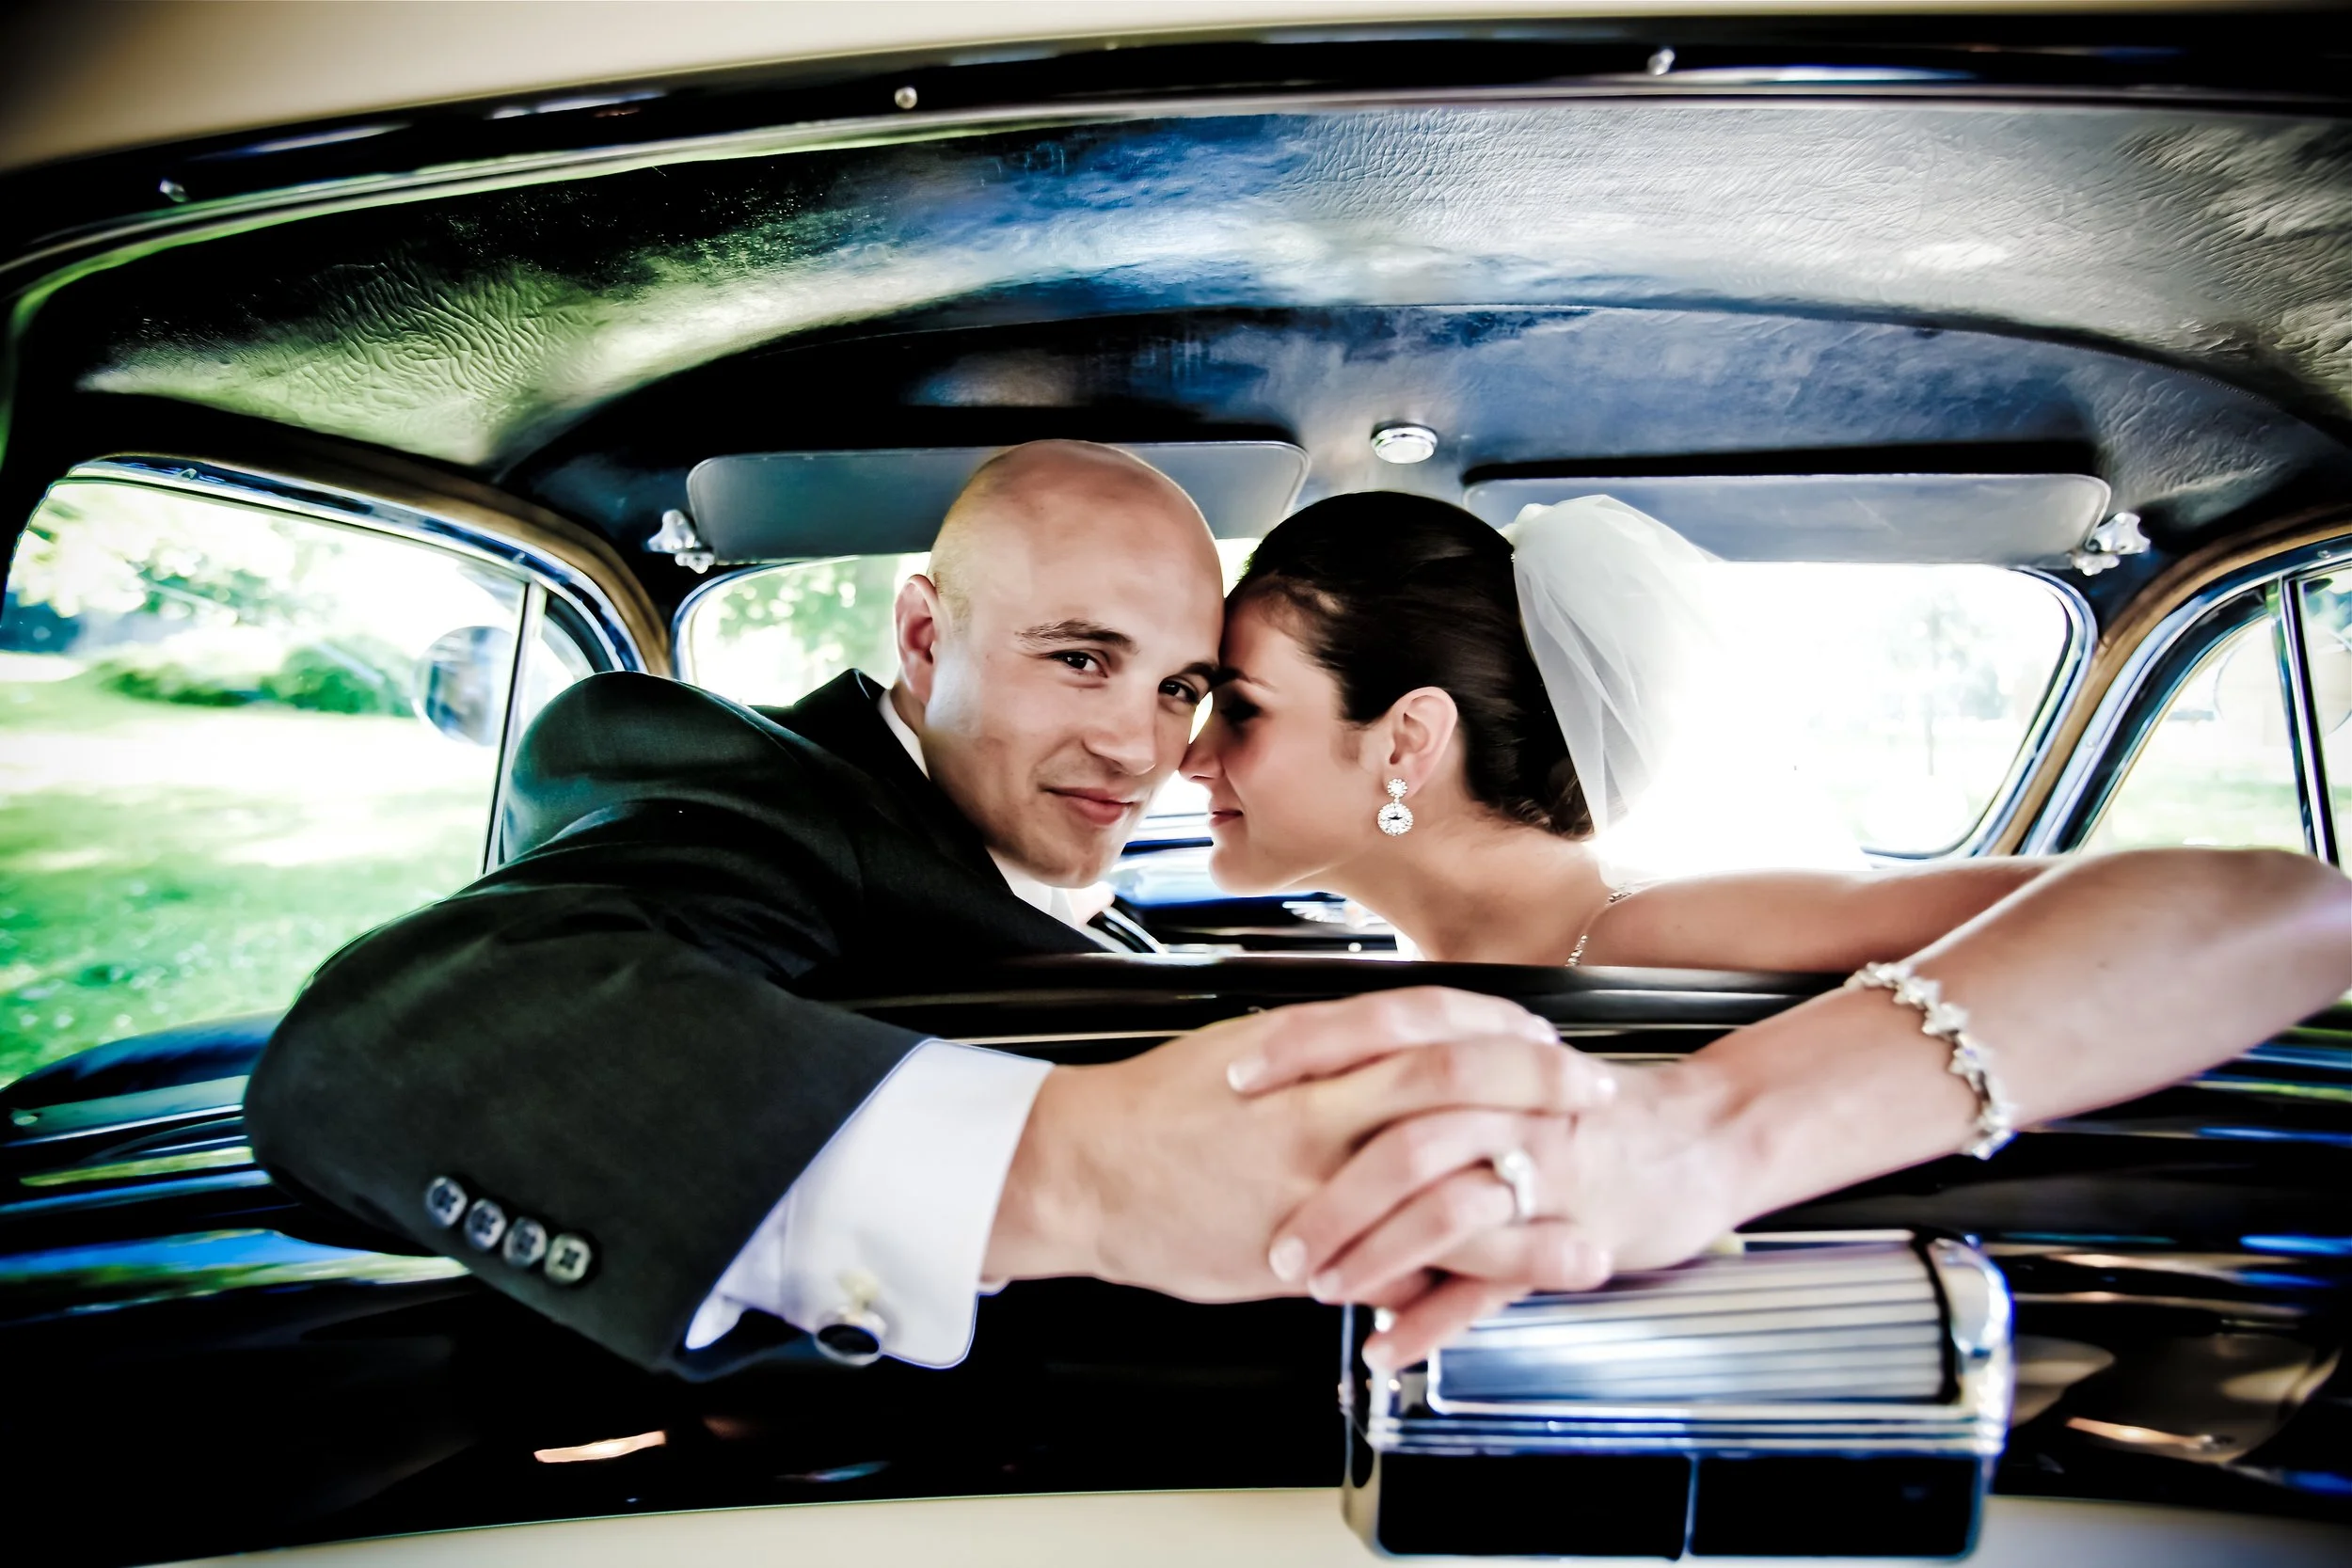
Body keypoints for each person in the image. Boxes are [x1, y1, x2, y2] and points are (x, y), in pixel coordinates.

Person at [246, 442, 1612, 1378]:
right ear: (920, 638)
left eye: (1181, 688)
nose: (1146, 752)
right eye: (1082, 658)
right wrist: (1090, 1169)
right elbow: (406, 1033)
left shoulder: (1026, 845)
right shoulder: (744, 790)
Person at [1181, 490, 2352, 1371]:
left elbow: (2293, 907)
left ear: (1404, 741)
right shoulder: (1400, 970)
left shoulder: (1647, 932)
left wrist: (1701, 1136)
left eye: (1239, 707)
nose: (1189, 754)